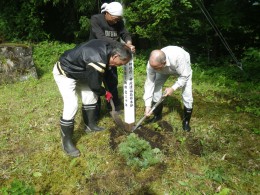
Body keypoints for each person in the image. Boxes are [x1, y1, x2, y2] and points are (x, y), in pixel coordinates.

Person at [53, 39, 132, 157]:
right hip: (66, 72)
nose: (118, 66)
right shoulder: (97, 59)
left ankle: (90, 126)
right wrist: (105, 92)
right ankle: (67, 142)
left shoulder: (110, 47)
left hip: (83, 71)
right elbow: (95, 86)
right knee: (71, 104)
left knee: (90, 97)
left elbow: (96, 80)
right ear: (115, 56)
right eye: (119, 64)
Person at [89, 1, 135, 114]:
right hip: (96, 55)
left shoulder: (118, 22)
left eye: (118, 19)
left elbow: (125, 33)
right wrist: (121, 45)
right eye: (115, 18)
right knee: (96, 83)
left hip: (112, 57)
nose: (116, 21)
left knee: (112, 81)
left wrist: (128, 42)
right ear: (107, 13)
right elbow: (100, 37)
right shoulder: (96, 19)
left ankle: (113, 107)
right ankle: (95, 110)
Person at [143, 46, 193, 131]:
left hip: (180, 68)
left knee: (187, 92)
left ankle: (186, 122)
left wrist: (173, 88)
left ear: (164, 62)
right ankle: (157, 115)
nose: (154, 69)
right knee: (155, 86)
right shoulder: (152, 64)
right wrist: (147, 105)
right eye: (153, 67)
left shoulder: (179, 57)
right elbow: (149, 83)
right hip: (163, 68)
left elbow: (184, 76)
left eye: (156, 68)